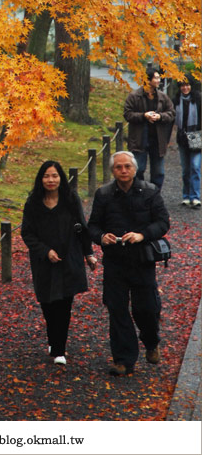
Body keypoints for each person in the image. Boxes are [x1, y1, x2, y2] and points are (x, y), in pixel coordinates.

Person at [88, 151, 170, 376]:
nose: (123, 171)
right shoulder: (104, 194)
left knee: (146, 309)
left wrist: (142, 235)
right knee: (117, 310)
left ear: (134, 169)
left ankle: (151, 341)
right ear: (113, 170)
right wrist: (101, 236)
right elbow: (93, 226)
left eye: (127, 167)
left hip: (142, 260)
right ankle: (123, 359)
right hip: (115, 261)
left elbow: (163, 223)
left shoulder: (150, 192)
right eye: (118, 167)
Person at [21, 160, 97, 366]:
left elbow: (82, 227)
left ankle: (59, 348)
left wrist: (88, 253)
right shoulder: (33, 203)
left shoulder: (70, 200)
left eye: (54, 176)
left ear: (61, 178)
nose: (51, 180)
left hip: (69, 258)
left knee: (64, 304)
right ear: (41, 179)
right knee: (47, 303)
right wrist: (45, 251)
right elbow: (27, 233)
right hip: (44, 262)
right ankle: (53, 339)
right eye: (46, 176)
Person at [123, 69, 175, 188]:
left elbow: (171, 113)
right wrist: (143, 116)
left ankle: (154, 196)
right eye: (156, 78)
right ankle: (139, 194)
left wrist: (160, 116)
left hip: (158, 140)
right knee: (138, 170)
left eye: (158, 78)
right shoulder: (134, 96)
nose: (158, 80)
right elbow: (127, 114)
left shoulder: (163, 97)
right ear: (148, 80)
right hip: (139, 139)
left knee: (159, 172)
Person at [174, 78, 201, 207]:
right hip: (182, 136)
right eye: (182, 85)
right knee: (185, 169)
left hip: (195, 134)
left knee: (195, 166)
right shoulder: (176, 100)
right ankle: (186, 195)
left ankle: (195, 196)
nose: (185, 88)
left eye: (187, 85)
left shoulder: (198, 99)